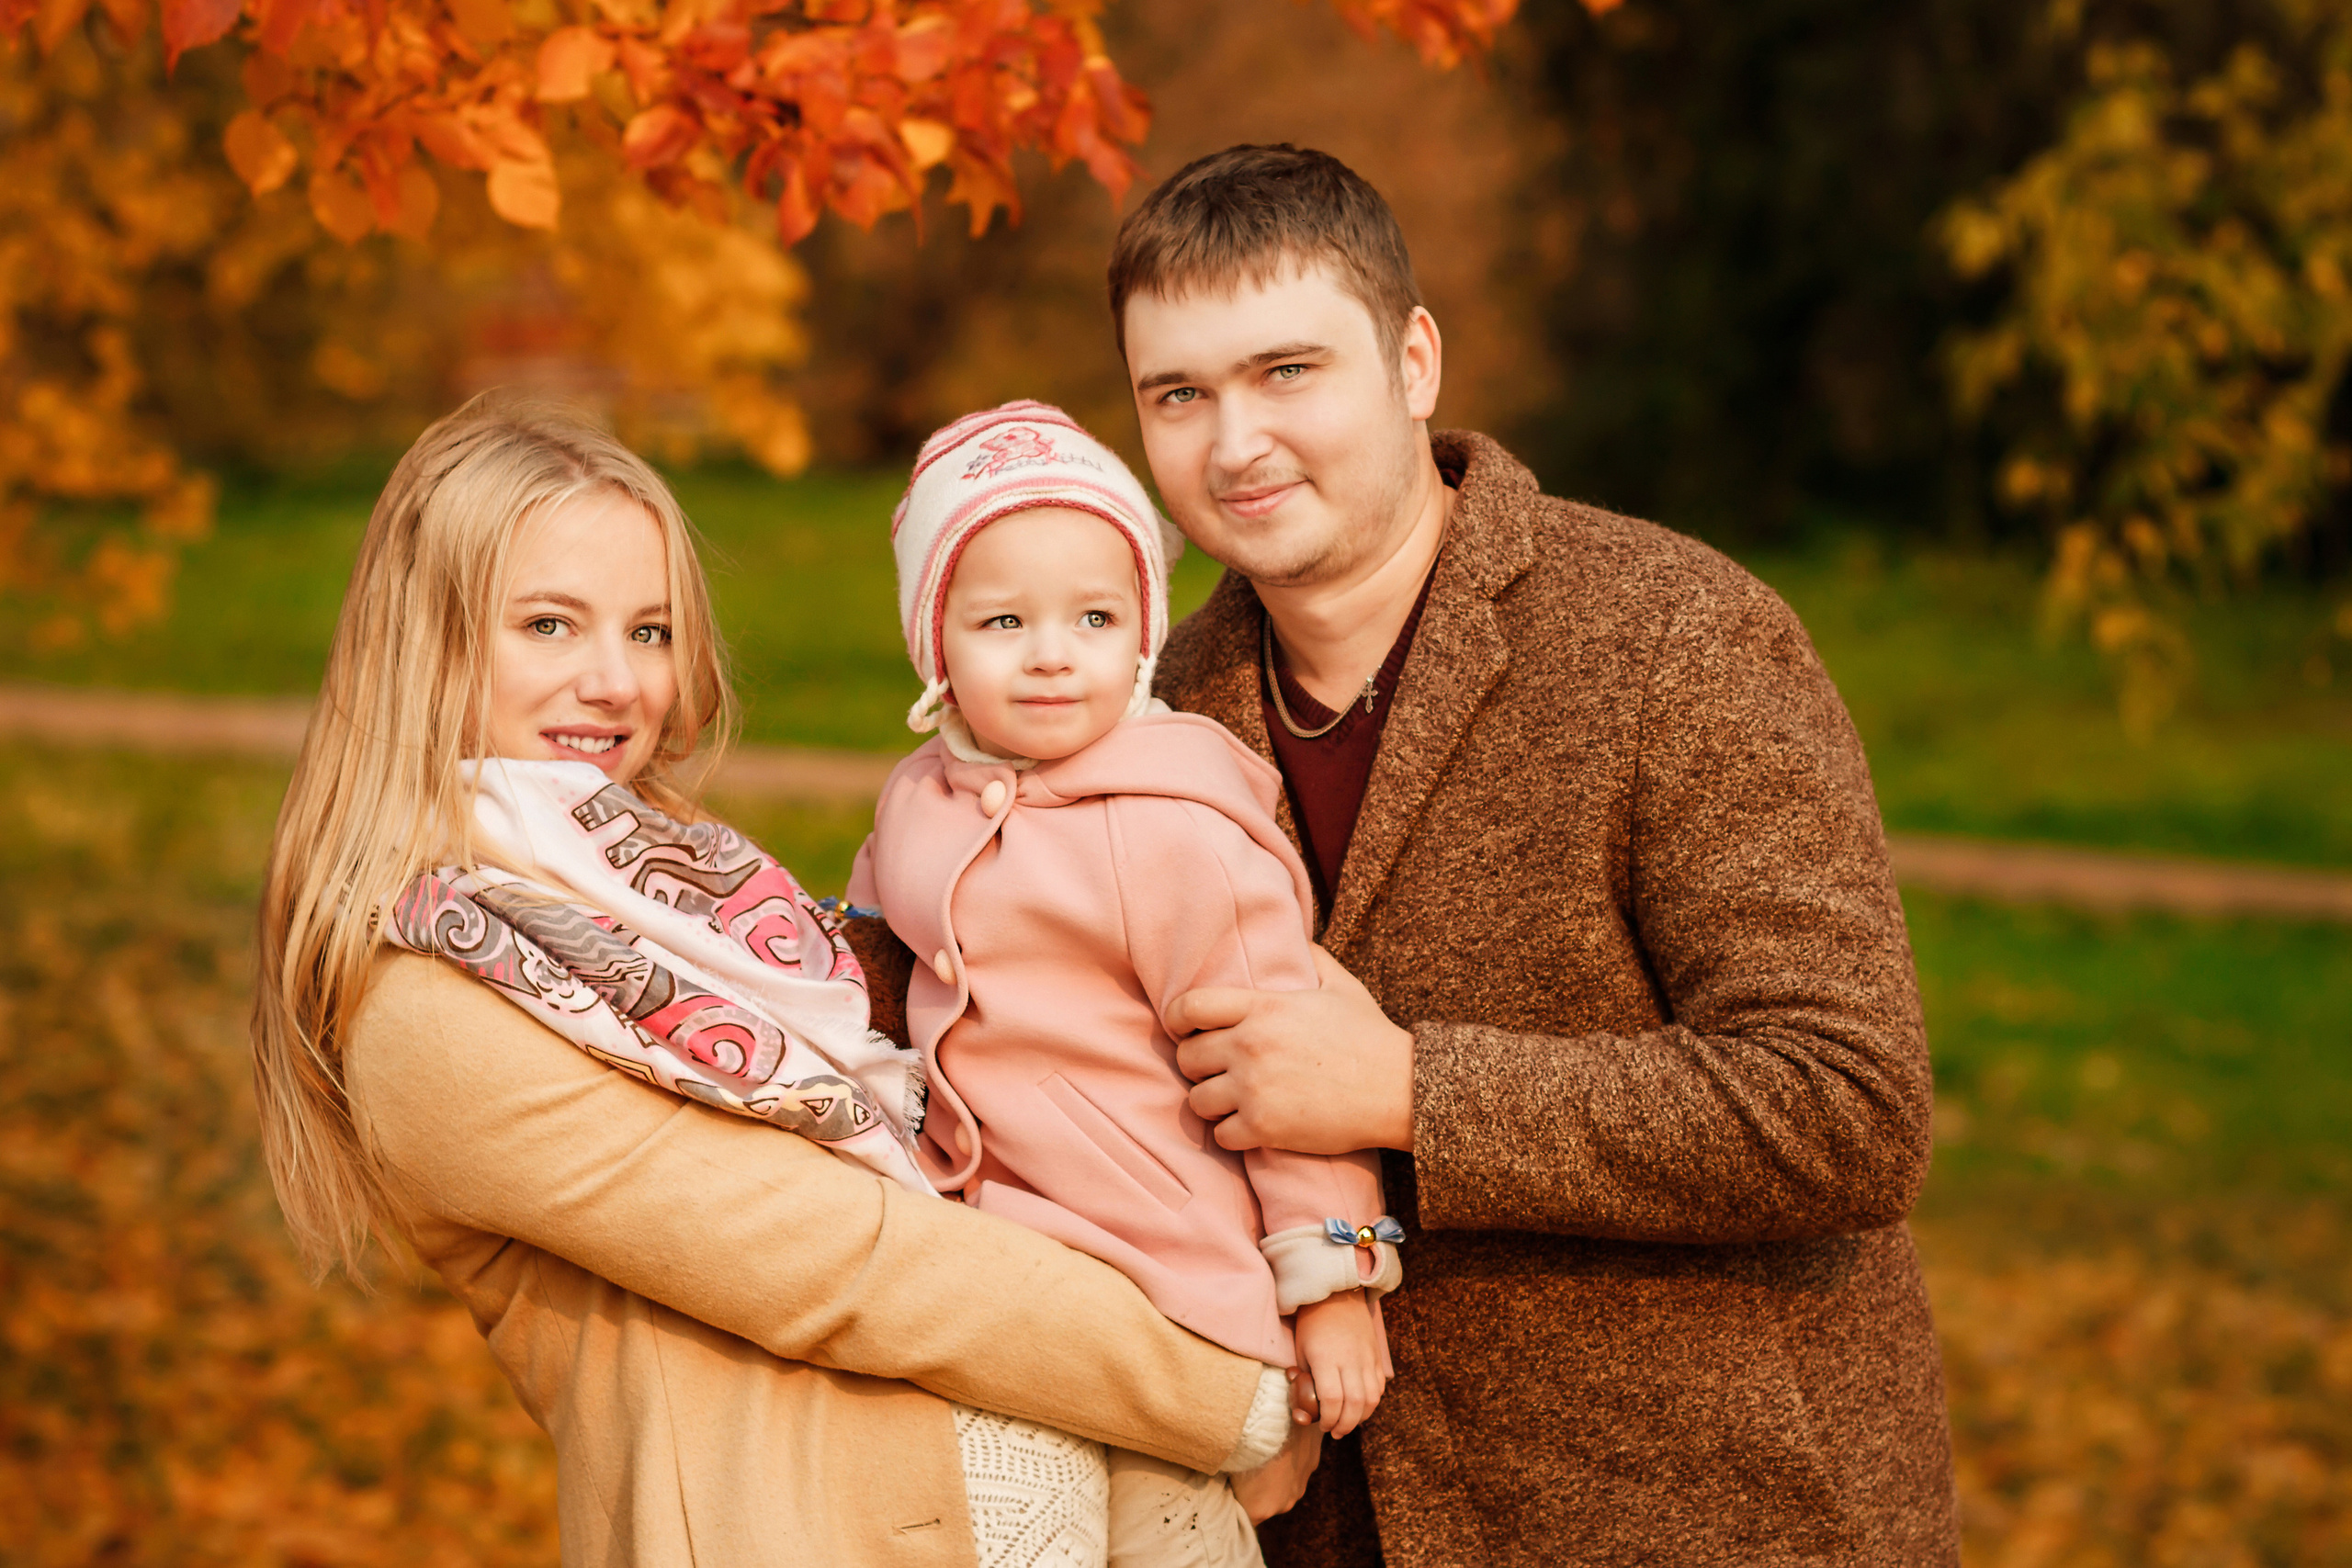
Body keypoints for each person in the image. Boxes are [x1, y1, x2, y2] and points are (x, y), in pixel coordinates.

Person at [248, 398, 1306, 1568]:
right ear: (426, 640)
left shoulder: (676, 892)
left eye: (647, 632)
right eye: (549, 626)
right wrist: (1232, 1394)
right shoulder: (429, 1002)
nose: (613, 681)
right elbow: (840, 1263)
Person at [1121, 145, 1959, 1564]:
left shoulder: (1670, 635)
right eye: (1178, 394)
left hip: (1714, 1518)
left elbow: (1847, 1106)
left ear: (1414, 360)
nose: (1235, 442)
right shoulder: (1154, 704)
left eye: (1287, 371)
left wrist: (1404, 1088)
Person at [848, 402, 1407, 1563]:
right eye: (1003, 621)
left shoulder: (1174, 828)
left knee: (1174, 1537)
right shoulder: (918, 798)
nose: (1053, 653)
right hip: (1004, 1258)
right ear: (933, 643)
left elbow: (1286, 1054)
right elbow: (868, 947)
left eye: (1095, 619)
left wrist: (1333, 1281)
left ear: (1141, 636)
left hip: (1169, 1273)